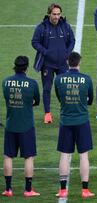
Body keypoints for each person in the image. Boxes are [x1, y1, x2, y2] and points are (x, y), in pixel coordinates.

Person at [54, 52, 95, 198]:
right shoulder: (86, 79)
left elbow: (60, 97)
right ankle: (85, 190)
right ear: (79, 63)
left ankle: (63, 189)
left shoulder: (59, 79)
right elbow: (90, 100)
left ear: (67, 62)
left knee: (64, 155)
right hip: (82, 121)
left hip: (66, 121)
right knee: (84, 155)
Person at [2, 56, 40, 197]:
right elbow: (37, 101)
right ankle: (28, 190)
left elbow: (8, 99)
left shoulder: (5, 82)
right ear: (27, 67)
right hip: (26, 125)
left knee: (8, 157)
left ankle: (8, 189)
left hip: (11, 124)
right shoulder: (32, 83)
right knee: (29, 157)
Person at [32, 3, 75, 124]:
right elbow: (34, 42)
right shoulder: (42, 27)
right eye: (54, 14)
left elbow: (72, 40)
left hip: (62, 64)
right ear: (49, 14)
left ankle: (65, 111)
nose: (56, 17)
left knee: (64, 89)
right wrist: (46, 52)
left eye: (58, 14)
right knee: (47, 88)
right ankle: (47, 114)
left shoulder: (65, 26)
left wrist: (67, 52)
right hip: (47, 65)